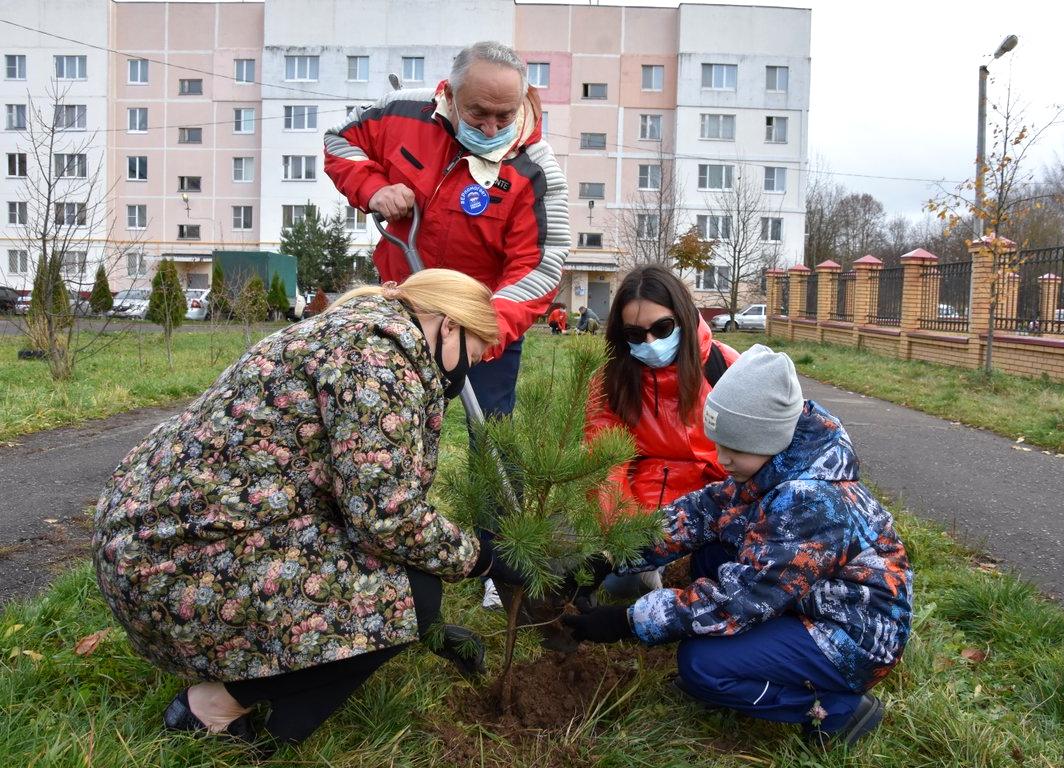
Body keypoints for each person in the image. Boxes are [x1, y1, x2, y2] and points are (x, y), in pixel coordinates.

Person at [92, 270, 526, 749]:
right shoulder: (376, 359)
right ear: (448, 326)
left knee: (404, 589)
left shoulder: (364, 331)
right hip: (169, 564)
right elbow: (385, 515)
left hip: (162, 537)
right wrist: (480, 558)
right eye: (477, 353)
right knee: (409, 597)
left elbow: (366, 492)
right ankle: (211, 708)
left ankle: (279, 719)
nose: (473, 368)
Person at [564, 346, 913, 746]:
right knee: (711, 553)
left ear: (770, 437)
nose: (721, 459)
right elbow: (700, 513)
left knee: (700, 665)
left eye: (734, 448)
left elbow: (738, 601)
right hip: (815, 600)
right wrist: (613, 556)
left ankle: (836, 712)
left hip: (854, 637)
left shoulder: (809, 503)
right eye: (718, 443)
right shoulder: (777, 463)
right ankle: (755, 664)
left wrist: (629, 621)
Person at [324, 40, 569, 421]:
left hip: (484, 319)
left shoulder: (536, 172)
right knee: (386, 416)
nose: (491, 130)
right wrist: (374, 189)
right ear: (451, 96)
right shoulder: (401, 113)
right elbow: (339, 140)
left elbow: (540, 265)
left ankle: (491, 482)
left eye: (504, 117)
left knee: (491, 427)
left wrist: (483, 329)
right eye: (479, 114)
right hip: (402, 307)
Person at [583, 265, 739, 596]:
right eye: (635, 335)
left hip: (716, 506)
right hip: (643, 506)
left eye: (662, 328)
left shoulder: (726, 367)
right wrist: (633, 535)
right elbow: (605, 465)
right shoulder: (611, 382)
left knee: (717, 573)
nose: (650, 342)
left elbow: (761, 459)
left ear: (683, 317)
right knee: (620, 584)